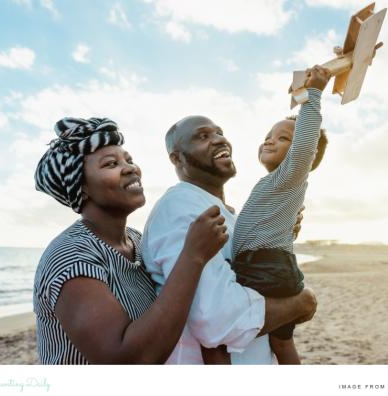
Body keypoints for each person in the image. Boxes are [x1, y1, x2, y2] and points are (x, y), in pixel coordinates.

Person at [33, 116, 229, 364]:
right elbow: (126, 359)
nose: (130, 168)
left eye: (129, 160)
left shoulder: (137, 240)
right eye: (110, 164)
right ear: (80, 187)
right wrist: (193, 256)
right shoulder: (72, 255)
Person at [141, 112, 318, 364]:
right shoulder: (182, 205)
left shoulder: (230, 214)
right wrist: (300, 303)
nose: (218, 140)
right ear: (176, 157)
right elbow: (216, 319)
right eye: (203, 136)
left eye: (220, 133)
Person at [203, 65, 331, 365]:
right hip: (270, 266)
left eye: (284, 138)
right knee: (282, 342)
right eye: (268, 135)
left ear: (303, 153)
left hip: (267, 267)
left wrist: (313, 96)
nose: (270, 140)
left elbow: (305, 144)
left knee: (221, 336)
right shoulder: (275, 185)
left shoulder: (291, 174)